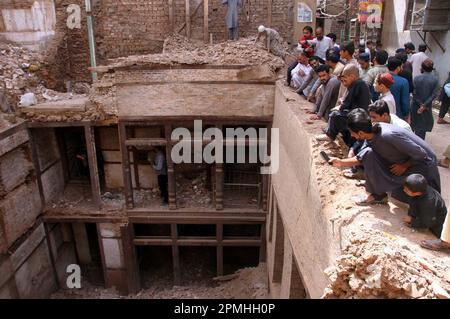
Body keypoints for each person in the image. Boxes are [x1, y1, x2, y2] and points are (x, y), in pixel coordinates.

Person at [328, 109, 441, 205]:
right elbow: (363, 156)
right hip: (405, 161)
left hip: (422, 164)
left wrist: (404, 166)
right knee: (369, 154)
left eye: (352, 133)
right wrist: (340, 162)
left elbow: (421, 154)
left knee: (425, 202)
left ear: (361, 133)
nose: (352, 135)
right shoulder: (372, 134)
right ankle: (377, 195)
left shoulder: (388, 135)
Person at [316, 64, 370, 145]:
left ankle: (330, 135)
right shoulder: (361, 83)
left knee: (334, 114)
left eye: (345, 80)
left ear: (352, 76)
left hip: (358, 117)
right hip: (358, 114)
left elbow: (345, 104)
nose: (344, 83)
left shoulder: (357, 84)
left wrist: (341, 104)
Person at [402, 174, 447, 238]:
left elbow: (427, 223)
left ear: (417, 193)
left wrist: (412, 221)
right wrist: (411, 215)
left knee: (436, 234)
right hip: (427, 213)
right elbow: (413, 203)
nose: (404, 190)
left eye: (406, 190)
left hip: (436, 222)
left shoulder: (428, 202)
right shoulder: (421, 189)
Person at [411, 59, 439, 140]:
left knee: (413, 125)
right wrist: (424, 105)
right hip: (426, 108)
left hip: (415, 106)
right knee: (422, 129)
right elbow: (434, 94)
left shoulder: (416, 78)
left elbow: (414, 93)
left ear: (422, 68)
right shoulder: (435, 79)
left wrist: (420, 104)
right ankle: (420, 147)